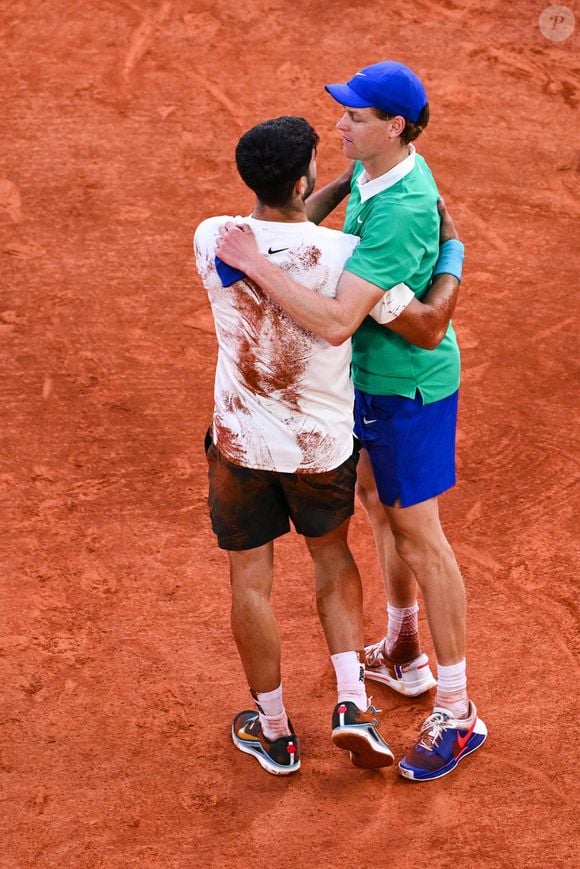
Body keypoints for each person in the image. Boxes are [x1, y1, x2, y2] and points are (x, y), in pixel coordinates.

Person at [215, 61, 487, 782]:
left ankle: (458, 711)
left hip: (408, 393)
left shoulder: (402, 210)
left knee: (421, 537)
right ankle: (402, 649)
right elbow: (314, 236)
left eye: (354, 117)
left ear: (394, 126)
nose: (338, 125)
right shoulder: (374, 173)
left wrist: (259, 262)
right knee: (376, 508)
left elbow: (350, 322)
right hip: (370, 384)